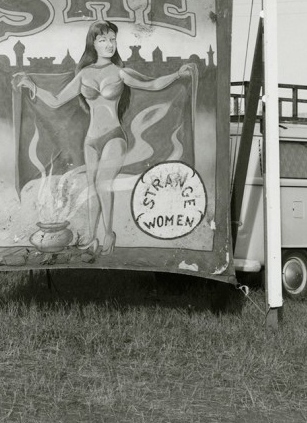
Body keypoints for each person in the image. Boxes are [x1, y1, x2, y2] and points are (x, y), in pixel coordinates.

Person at [14, 20, 196, 256]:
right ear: (94, 44)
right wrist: (32, 87)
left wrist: (176, 74)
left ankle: (108, 232)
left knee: (102, 184)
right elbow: (57, 100)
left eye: (112, 40)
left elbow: (151, 85)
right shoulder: (85, 74)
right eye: (103, 40)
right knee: (92, 188)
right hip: (91, 140)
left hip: (113, 137)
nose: (110, 44)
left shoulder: (120, 72)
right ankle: (91, 236)